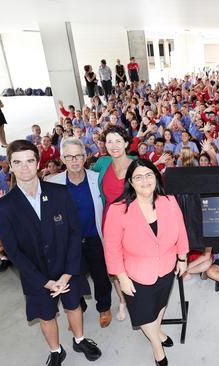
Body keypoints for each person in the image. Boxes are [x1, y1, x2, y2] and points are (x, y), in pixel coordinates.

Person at [0, 140, 102, 365]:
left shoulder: (60, 193)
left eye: (30, 161)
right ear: (10, 166)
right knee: (46, 315)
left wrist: (68, 273)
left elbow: (74, 232)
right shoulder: (4, 206)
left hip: (66, 268)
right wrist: (44, 281)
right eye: (18, 162)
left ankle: (80, 339)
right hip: (36, 274)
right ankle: (55, 351)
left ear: (38, 162)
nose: (25, 167)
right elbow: (12, 251)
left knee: (74, 305)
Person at [103, 158, 189, 366]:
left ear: (156, 177)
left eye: (149, 174)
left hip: (166, 267)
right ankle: (156, 346)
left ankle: (157, 332)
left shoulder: (169, 202)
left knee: (160, 304)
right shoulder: (118, 210)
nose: (145, 180)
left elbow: (182, 231)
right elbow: (112, 248)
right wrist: (121, 277)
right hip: (136, 273)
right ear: (130, 182)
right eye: (138, 177)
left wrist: (182, 258)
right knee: (144, 313)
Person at [47, 137, 115, 328]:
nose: (74, 160)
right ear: (62, 158)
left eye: (78, 156)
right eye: (69, 157)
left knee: (101, 276)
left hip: (94, 237)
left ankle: (104, 307)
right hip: (69, 243)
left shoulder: (96, 179)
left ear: (85, 157)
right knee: (73, 278)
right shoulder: (53, 183)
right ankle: (78, 308)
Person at [91, 125, 133, 320]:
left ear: (126, 143)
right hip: (110, 222)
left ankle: (136, 297)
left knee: (134, 262)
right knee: (115, 265)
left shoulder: (137, 163)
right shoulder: (102, 163)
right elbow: (89, 183)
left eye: (118, 141)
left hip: (134, 222)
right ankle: (122, 301)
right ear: (104, 144)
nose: (114, 145)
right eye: (109, 141)